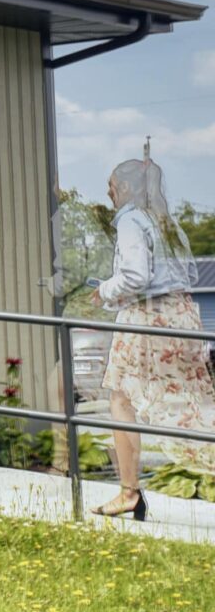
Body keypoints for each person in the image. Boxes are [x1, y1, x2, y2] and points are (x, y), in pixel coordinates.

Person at [93, 154, 215, 519]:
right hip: (180, 316)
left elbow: (135, 276)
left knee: (122, 402)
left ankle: (129, 492)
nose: (109, 194)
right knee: (192, 407)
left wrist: (104, 290)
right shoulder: (167, 222)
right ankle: (130, 491)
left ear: (127, 188)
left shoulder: (132, 220)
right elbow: (190, 272)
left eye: (112, 187)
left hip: (147, 319)